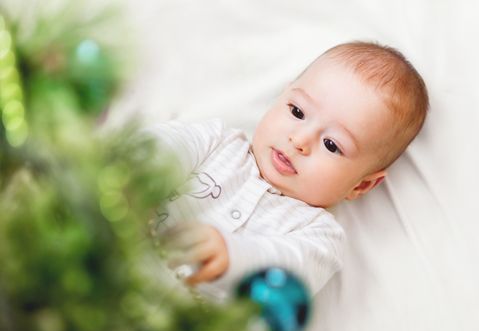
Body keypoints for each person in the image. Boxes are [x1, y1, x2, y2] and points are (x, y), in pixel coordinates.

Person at [147, 41, 429, 301]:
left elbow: (287, 274)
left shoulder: (317, 235)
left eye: (331, 144)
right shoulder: (216, 142)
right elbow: (162, 147)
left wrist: (233, 257)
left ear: (362, 186)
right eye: (297, 112)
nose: (300, 140)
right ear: (281, 97)